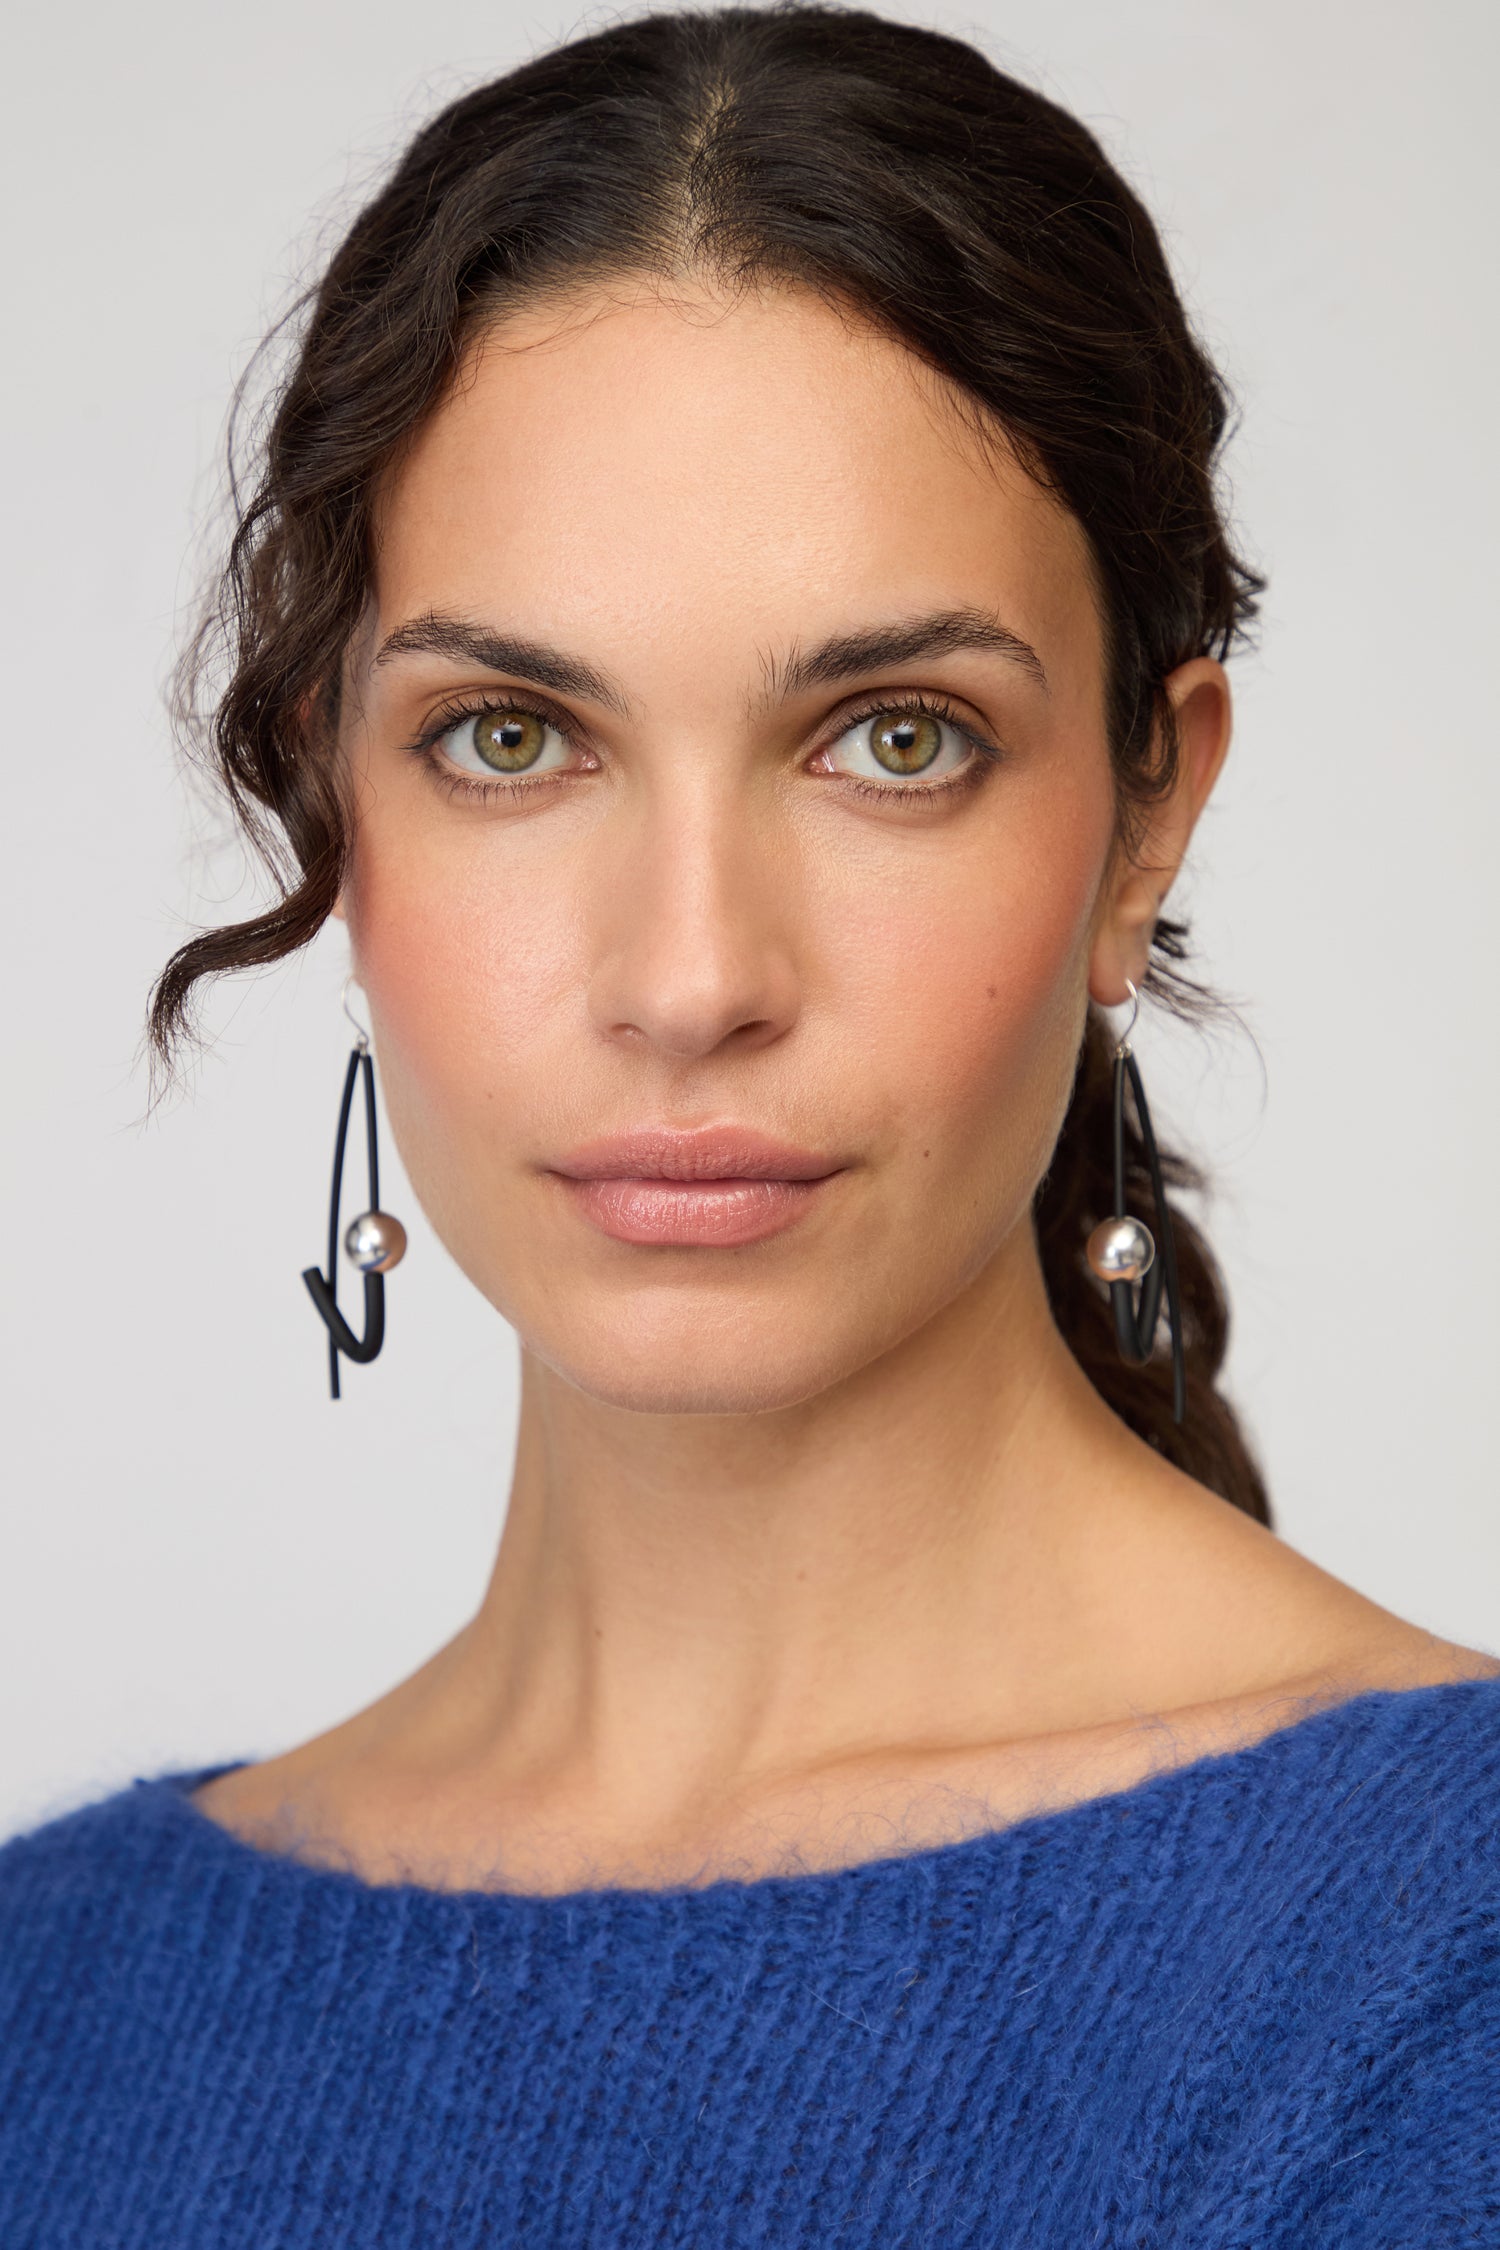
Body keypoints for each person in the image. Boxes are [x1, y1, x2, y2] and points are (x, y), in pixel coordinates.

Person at [2, 6, 1496, 2243]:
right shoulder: (49, 2001)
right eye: (512, 739)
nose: (694, 978)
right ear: (330, 798)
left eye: (896, 738)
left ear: (1144, 819)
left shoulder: (1437, 1984)